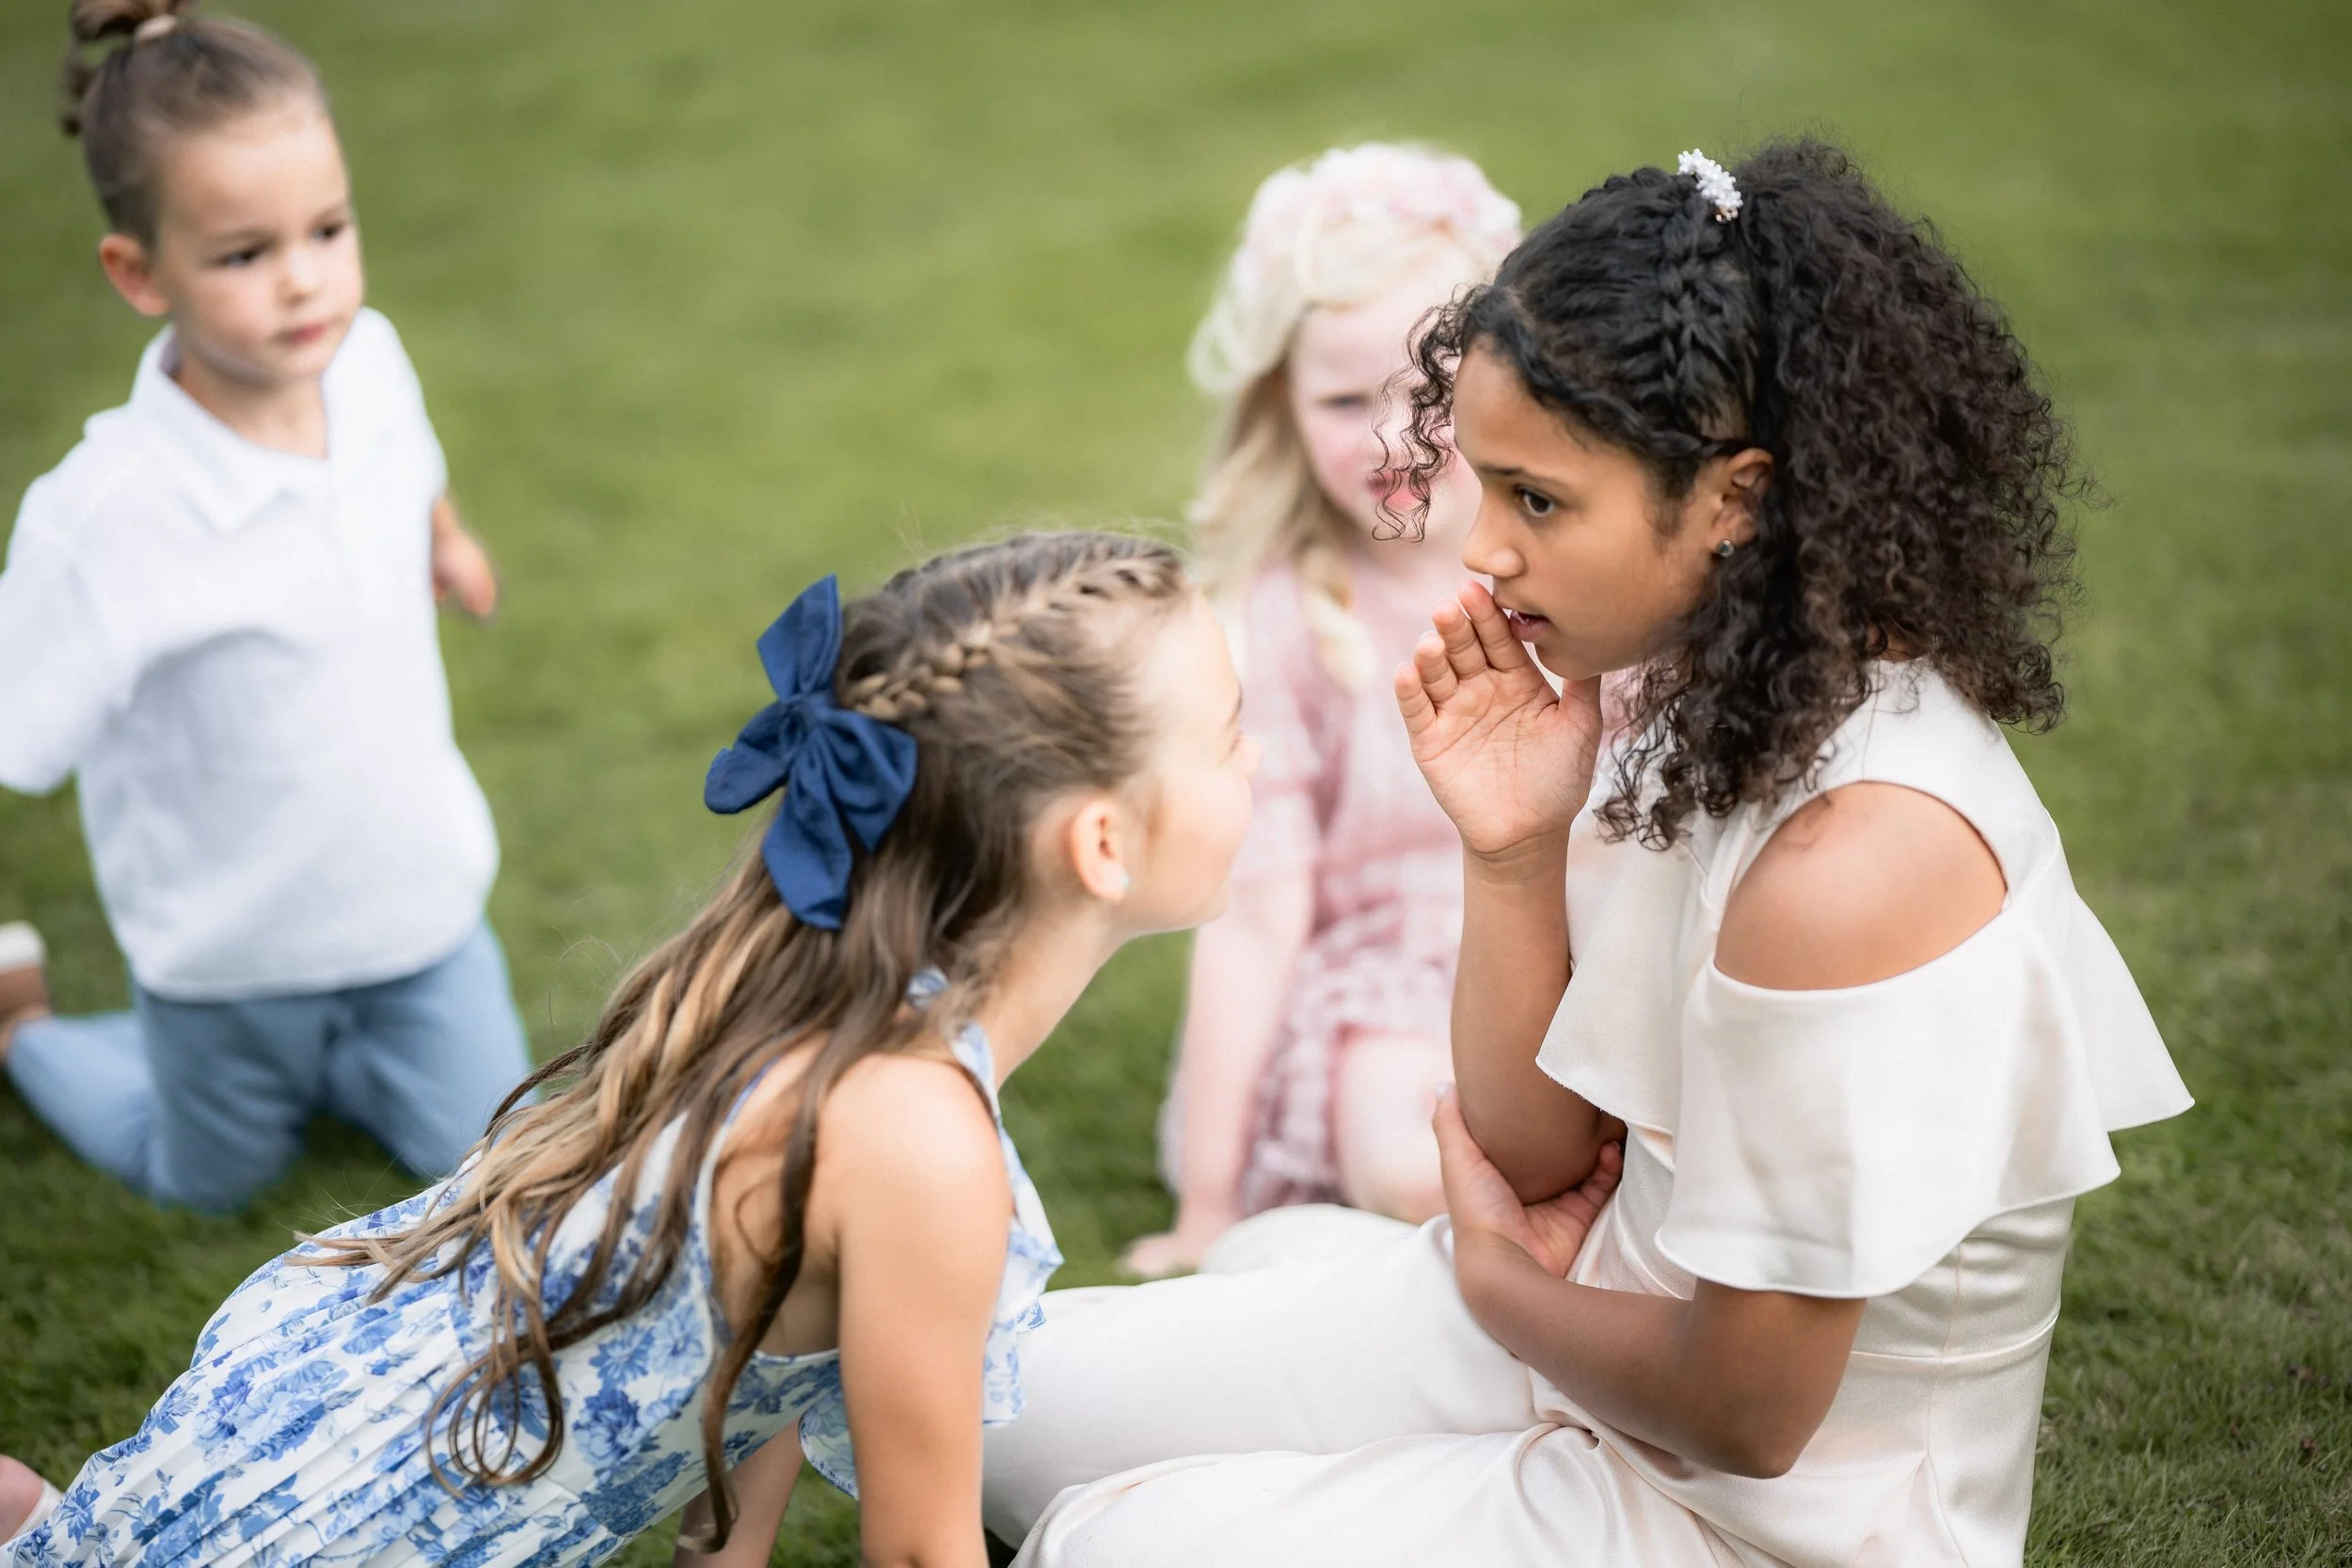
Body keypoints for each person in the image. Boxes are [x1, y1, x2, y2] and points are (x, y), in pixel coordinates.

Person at [981, 142, 2194, 1566]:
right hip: (1577, 1324)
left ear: (1736, 499)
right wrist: (1511, 850)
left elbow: (1746, 1409)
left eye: (1537, 500)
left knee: (1104, 1539)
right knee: (982, 1406)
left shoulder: (1857, 858)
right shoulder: (1698, 674)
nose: (1481, 552)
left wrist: (1500, 1291)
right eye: (1483, 487)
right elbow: (1540, 1150)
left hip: (1744, 1511)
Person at [0, 531, 1261, 1567]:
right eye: (1231, 733)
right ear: (1101, 844)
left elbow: (763, 1334)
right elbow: (927, 1553)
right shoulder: (920, 1140)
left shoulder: (811, 989)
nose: (1260, 753)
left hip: (289, 1418)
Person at [0, 0, 527, 1213]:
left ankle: (359, 1053)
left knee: (498, 1165)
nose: (305, 282)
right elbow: (22, 726)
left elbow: (411, 463)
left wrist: (445, 538)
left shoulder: (371, 360)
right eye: (244, 254)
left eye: (329, 229)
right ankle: (26, 1030)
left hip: (413, 908)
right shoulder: (106, 521)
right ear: (140, 273)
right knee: (212, 1183)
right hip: (229, 953)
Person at [1122, 145, 1521, 1276]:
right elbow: (1252, 922)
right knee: (1419, 1167)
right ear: (1282, 408)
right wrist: (1207, 1204)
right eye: (1346, 399)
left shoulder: (1563, 563)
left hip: (1567, 946)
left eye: (1431, 390)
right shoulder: (1284, 621)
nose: (1394, 436)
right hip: (1384, 985)